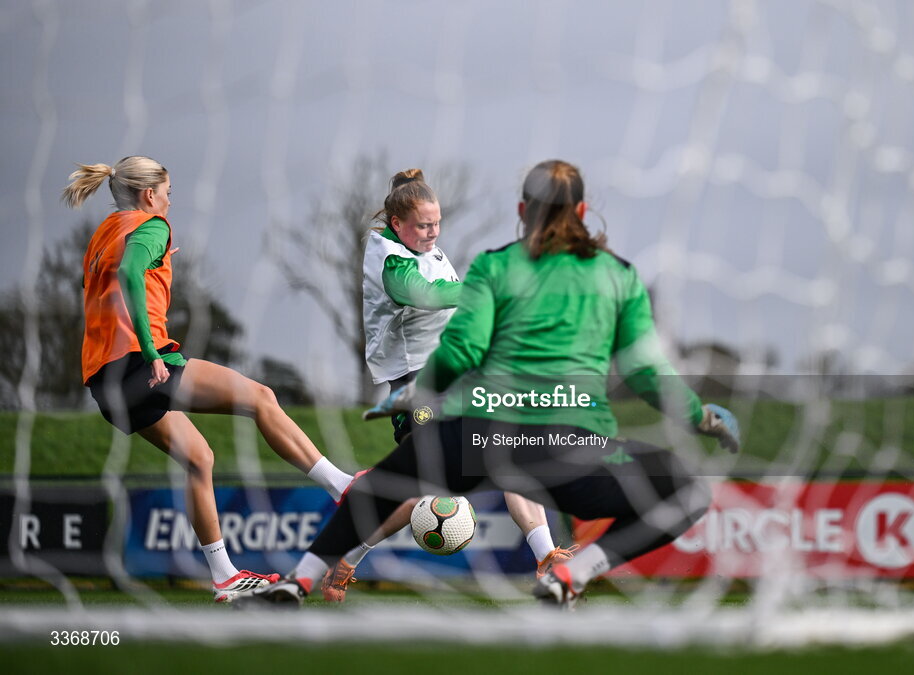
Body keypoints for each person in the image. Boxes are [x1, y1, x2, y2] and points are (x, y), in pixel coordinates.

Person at [242, 159, 739, 609]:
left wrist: (413, 394)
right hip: (572, 447)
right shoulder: (619, 276)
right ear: (584, 210)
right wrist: (703, 418)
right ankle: (574, 571)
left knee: (387, 483)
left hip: (481, 427)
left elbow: (460, 351)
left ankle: (299, 581)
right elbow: (646, 374)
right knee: (688, 492)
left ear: (523, 210)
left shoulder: (494, 266)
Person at [63, 156, 356, 602]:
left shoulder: (105, 232)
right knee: (260, 397)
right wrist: (148, 349)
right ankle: (341, 485)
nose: (169, 200)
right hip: (142, 364)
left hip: (103, 380)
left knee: (200, 457)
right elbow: (128, 275)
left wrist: (154, 266)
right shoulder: (154, 225)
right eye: (167, 192)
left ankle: (223, 575)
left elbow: (115, 278)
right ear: (149, 196)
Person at [320, 168, 575, 602]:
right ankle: (348, 556)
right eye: (423, 224)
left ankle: (546, 554)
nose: (433, 231)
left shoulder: (430, 251)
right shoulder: (388, 256)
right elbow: (425, 295)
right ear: (398, 224)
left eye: (436, 222)